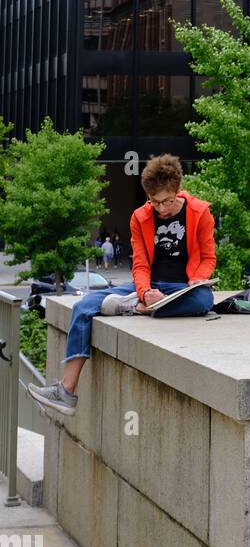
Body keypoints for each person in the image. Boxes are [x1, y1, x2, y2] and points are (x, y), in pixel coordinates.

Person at [28, 154, 216, 419]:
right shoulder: (140, 217)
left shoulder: (199, 212)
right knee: (84, 306)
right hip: (147, 286)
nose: (161, 208)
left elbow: (208, 257)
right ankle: (66, 390)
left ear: (177, 190)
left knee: (203, 301)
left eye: (166, 201)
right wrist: (145, 293)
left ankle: (137, 309)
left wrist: (199, 277)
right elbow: (139, 266)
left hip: (182, 287)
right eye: (154, 202)